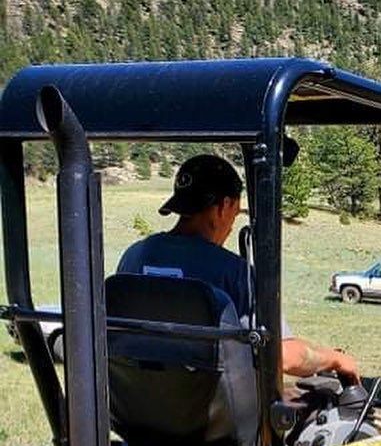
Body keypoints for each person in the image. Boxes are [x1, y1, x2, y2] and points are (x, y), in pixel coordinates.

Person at [117, 154, 360, 383]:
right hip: (214, 419)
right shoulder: (234, 273)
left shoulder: (133, 257)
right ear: (224, 206)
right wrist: (335, 358)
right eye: (235, 214)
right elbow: (284, 356)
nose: (233, 225)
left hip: (139, 413)